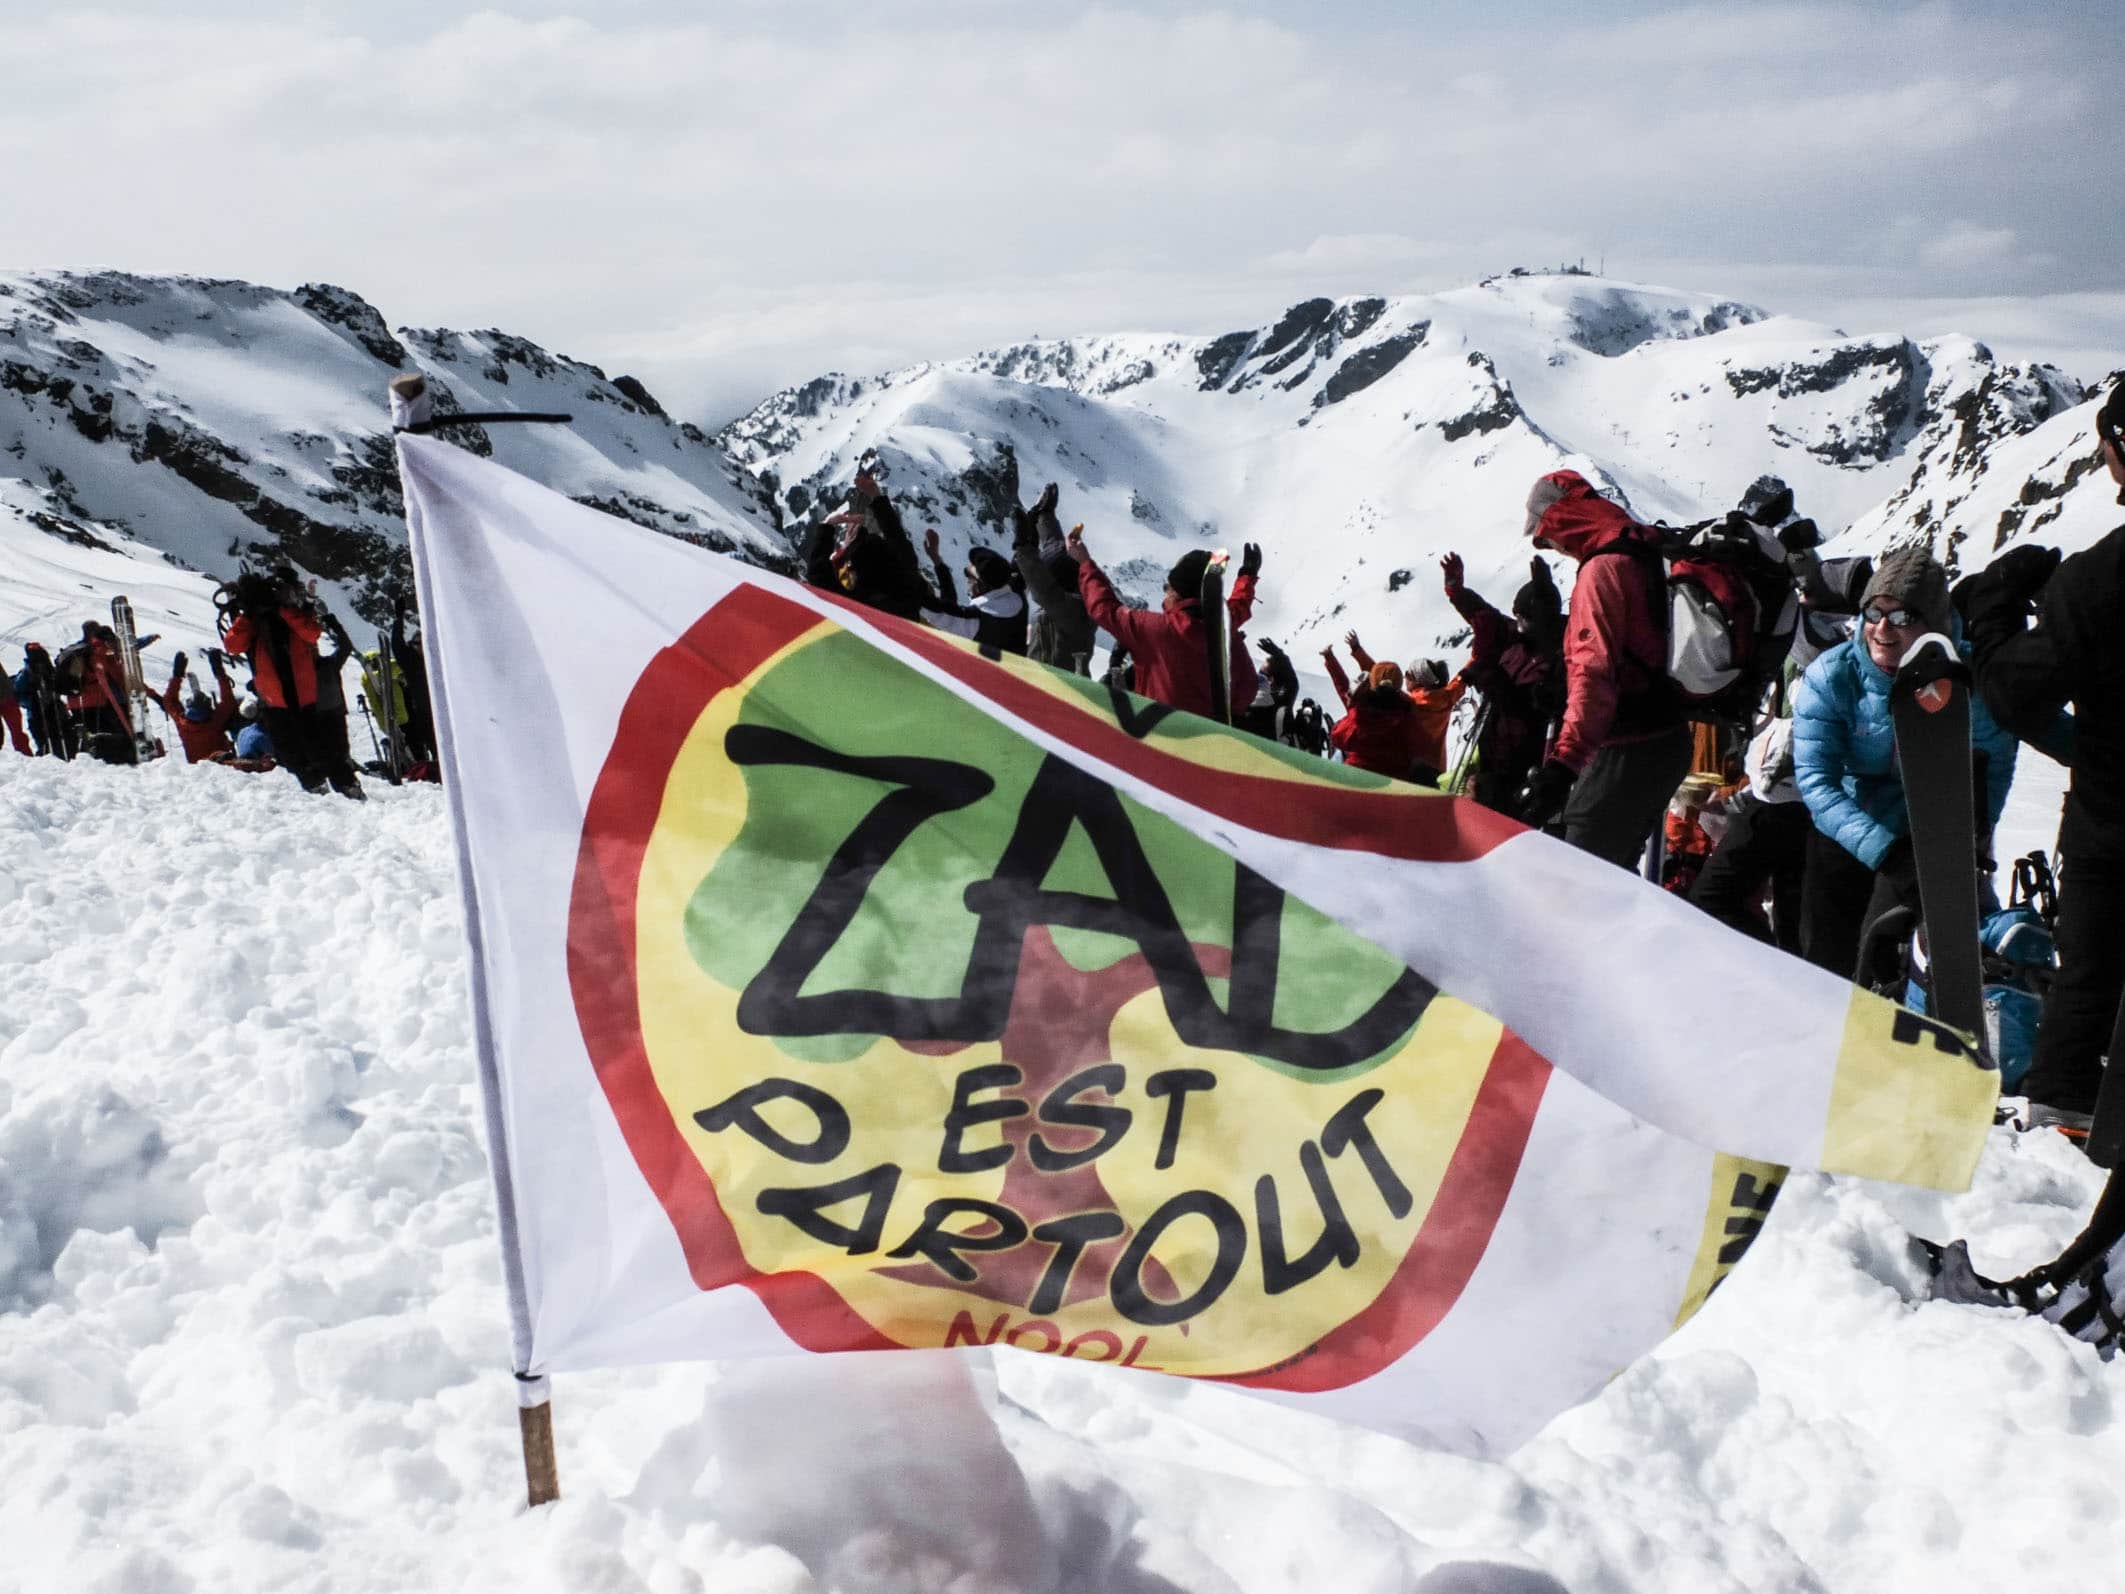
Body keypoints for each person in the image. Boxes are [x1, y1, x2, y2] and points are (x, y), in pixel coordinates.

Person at [1951, 376, 2125, 1144]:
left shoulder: (2100, 578)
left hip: (2114, 821)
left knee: (2091, 965)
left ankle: (2066, 1118)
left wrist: (1991, 610)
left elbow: (2012, 692)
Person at [1791, 547, 2020, 982]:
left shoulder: (1967, 678)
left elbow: (1994, 762)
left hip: (1930, 827)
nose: (1882, 629)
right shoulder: (1833, 675)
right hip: (1849, 823)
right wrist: (1886, 851)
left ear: (1933, 623)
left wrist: (1975, 834)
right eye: (1875, 612)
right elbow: (1817, 783)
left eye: (1902, 618)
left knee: (1900, 958)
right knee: (1829, 954)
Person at [1516, 472, 1692, 866]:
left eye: (1548, 535)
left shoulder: (1602, 569)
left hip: (1626, 748)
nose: (1554, 548)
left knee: (1578, 880)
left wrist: (1563, 766)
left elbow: (1593, 674)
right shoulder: (1644, 546)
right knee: (1618, 877)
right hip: (1670, 738)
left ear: (1562, 519)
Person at [1068, 533, 1260, 720]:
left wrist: (1084, 562)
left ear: (1177, 593)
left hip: (1158, 738)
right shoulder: (1224, 629)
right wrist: (1247, 577)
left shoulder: (1155, 629)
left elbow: (1104, 608)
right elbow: (1247, 691)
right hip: (1210, 743)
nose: (1165, 593)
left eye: (1167, 587)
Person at [1688, 680, 1812, 952]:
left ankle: (1773, 969)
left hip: (1789, 802)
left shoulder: (1822, 666)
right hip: (1776, 798)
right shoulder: (1785, 669)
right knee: (1792, 920)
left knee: (1712, 898)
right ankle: (1782, 973)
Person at [218, 570, 364, 798]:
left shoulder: (292, 617)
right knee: (291, 752)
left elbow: (312, 633)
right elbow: (233, 645)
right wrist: (249, 615)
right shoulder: (253, 622)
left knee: (323, 749)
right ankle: (321, 788)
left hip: (302, 697)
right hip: (280, 701)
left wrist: (283, 610)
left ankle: (343, 788)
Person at [1442, 552, 1565, 812]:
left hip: (1519, 767)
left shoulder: (1559, 659)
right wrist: (1456, 590)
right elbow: (1485, 615)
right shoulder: (1518, 637)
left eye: (1523, 618)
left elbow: (1526, 704)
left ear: (1540, 621)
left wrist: (1488, 675)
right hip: (1493, 751)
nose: (1516, 622)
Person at [1343, 631, 1464, 785]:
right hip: (1438, 770)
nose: (1404, 677)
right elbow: (1464, 676)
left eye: (1408, 674)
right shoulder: (1447, 698)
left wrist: (1357, 650)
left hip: (1411, 769)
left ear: (1418, 680)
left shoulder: (1410, 702)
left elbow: (1380, 676)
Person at [1012, 484, 1095, 672]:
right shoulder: (1075, 602)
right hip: (1046, 684)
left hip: (1057, 690)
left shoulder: (1074, 611)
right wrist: (1044, 515)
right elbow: (1054, 547)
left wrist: (1024, 548)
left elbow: (1044, 589)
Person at [1319, 644, 1427, 782]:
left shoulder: (1361, 709)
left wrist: (1330, 659)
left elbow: (1339, 737)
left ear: (1373, 682)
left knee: (1337, 759)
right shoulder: (1409, 711)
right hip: (1397, 781)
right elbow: (1418, 746)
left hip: (1357, 777)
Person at [919, 528, 1028, 654]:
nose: (967, 581)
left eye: (968, 575)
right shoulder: (1016, 594)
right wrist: (936, 560)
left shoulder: (975, 619)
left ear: (979, 585)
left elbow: (939, 609)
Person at [153, 650, 239, 763]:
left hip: (197, 773)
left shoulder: (183, 724)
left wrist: (177, 675)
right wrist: (219, 672)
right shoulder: (215, 721)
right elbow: (228, 700)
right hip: (224, 767)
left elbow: (169, 701)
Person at [0, 658, 29, 755]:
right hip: (8, 697)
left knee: (18, 734)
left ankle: (26, 757)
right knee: (18, 734)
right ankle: (26, 756)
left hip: (7, 698)